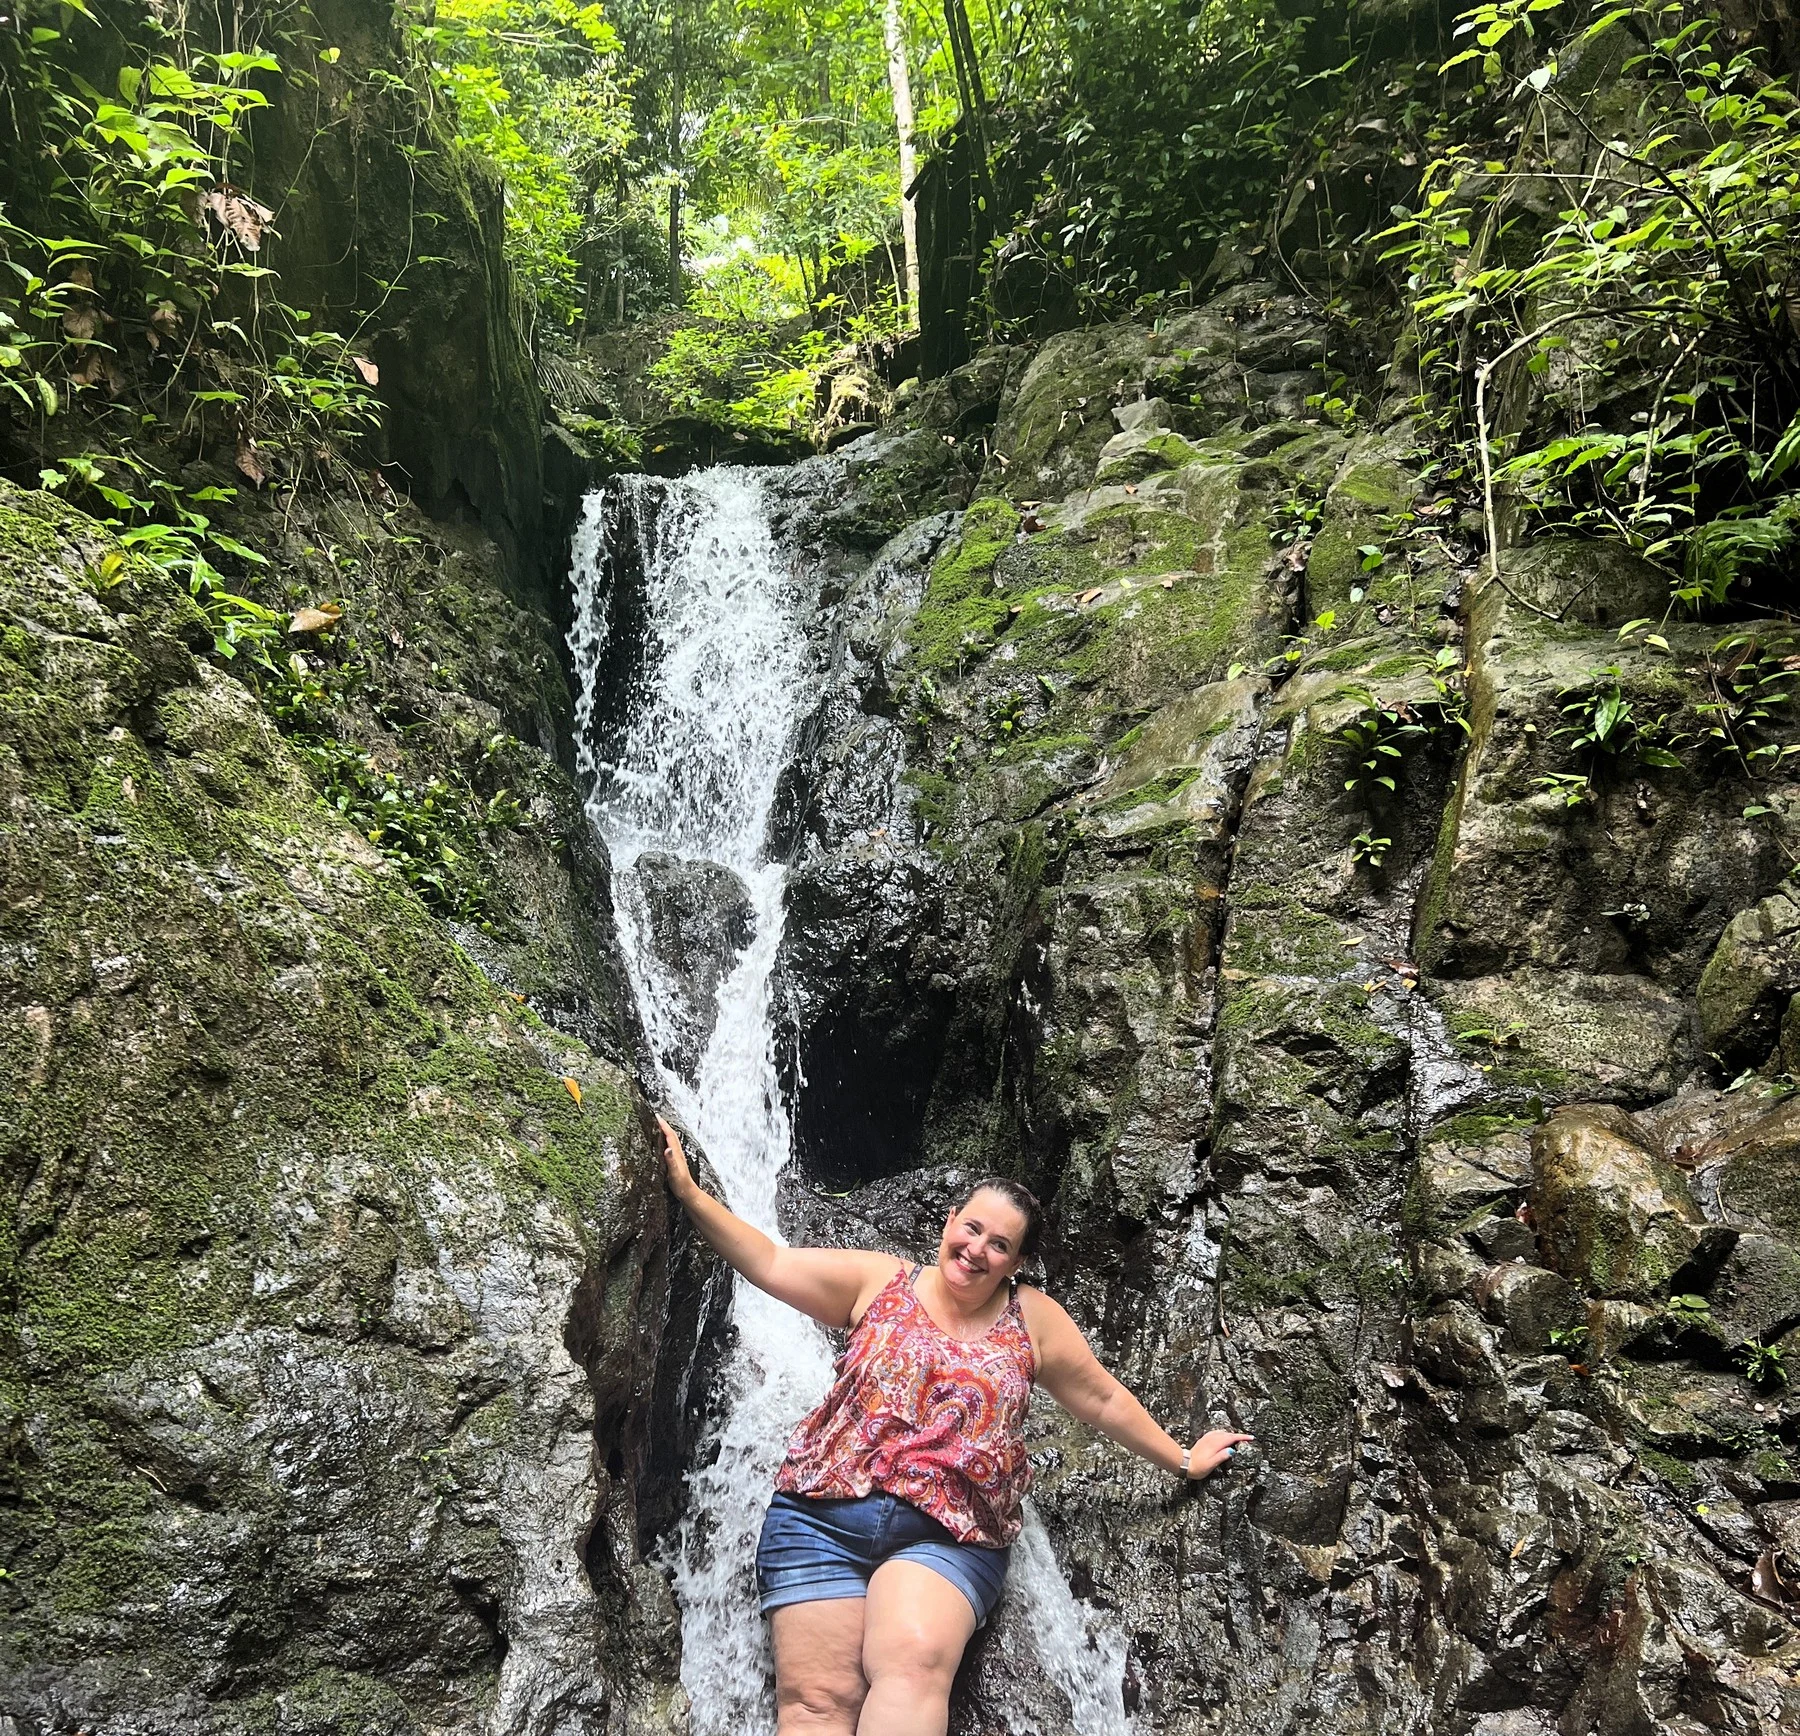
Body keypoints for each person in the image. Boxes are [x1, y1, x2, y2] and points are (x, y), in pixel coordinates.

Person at [657, 1116, 1251, 1736]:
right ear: (949, 1222)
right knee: (815, 1702)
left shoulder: (1034, 1319)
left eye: (1000, 1244)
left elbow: (1100, 1400)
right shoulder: (879, 1279)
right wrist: (691, 1195)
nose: (977, 1249)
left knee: (911, 1669)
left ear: (1016, 1262)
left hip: (949, 1535)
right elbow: (771, 1261)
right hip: (820, 1516)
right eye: (972, 1227)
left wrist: (1182, 1459)